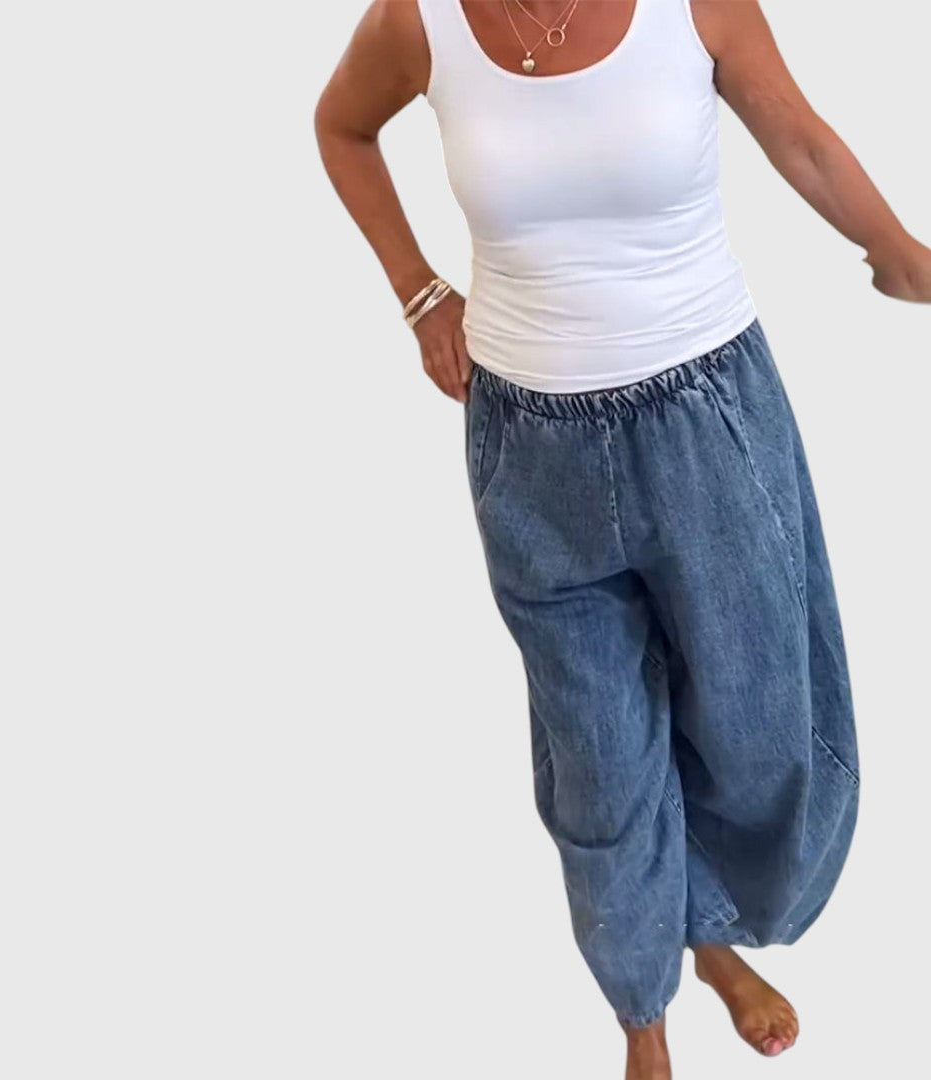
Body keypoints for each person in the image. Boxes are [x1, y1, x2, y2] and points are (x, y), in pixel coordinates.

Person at [314, 2, 931, 1076]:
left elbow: (802, 140)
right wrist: (418, 294)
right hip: (528, 447)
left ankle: (709, 931)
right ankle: (642, 1012)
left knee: (757, 723)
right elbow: (341, 127)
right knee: (598, 758)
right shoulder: (419, 21)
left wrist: (903, 254)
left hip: (709, 421)